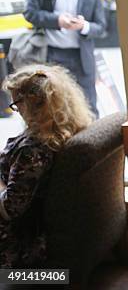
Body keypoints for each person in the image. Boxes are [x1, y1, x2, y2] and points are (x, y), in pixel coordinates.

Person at [1, 64, 94, 268]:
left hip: (18, 250)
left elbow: (10, 209)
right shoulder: (66, 129)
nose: (17, 111)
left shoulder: (33, 151)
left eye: (17, 104)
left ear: (34, 104)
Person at [24, 0, 108, 117]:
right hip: (53, 55)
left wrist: (84, 26)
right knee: (55, 105)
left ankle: (93, 142)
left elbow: (101, 27)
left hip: (81, 57)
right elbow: (30, 13)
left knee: (89, 105)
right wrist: (57, 20)